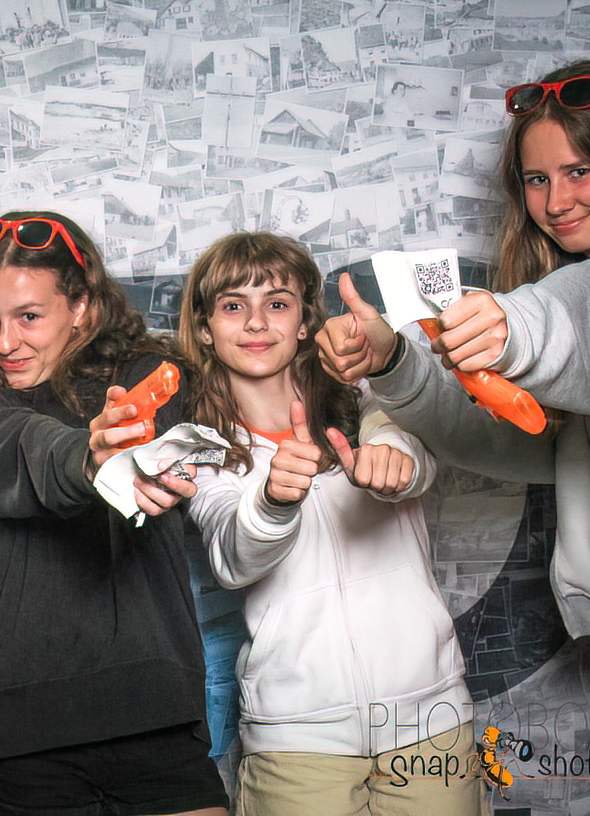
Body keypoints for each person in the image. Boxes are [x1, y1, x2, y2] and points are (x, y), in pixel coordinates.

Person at [317, 60, 590, 815]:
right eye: (537, 179)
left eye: (580, 171)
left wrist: (517, 325)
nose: (556, 202)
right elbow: (517, 439)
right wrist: (396, 364)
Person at [0, 211, 229, 816]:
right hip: (26, 738)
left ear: (83, 306)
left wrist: (135, 461)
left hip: (154, 714)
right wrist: (88, 460)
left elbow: (156, 443)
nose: (4, 342)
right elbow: (7, 449)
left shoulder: (150, 374)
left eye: (29, 316)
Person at [179, 232, 480, 816]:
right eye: (234, 305)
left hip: (431, 723)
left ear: (303, 323)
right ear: (205, 328)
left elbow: (414, 453)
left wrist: (396, 459)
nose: (257, 322)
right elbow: (232, 558)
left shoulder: (368, 399)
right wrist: (273, 501)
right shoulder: (203, 452)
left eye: (277, 303)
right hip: (295, 742)